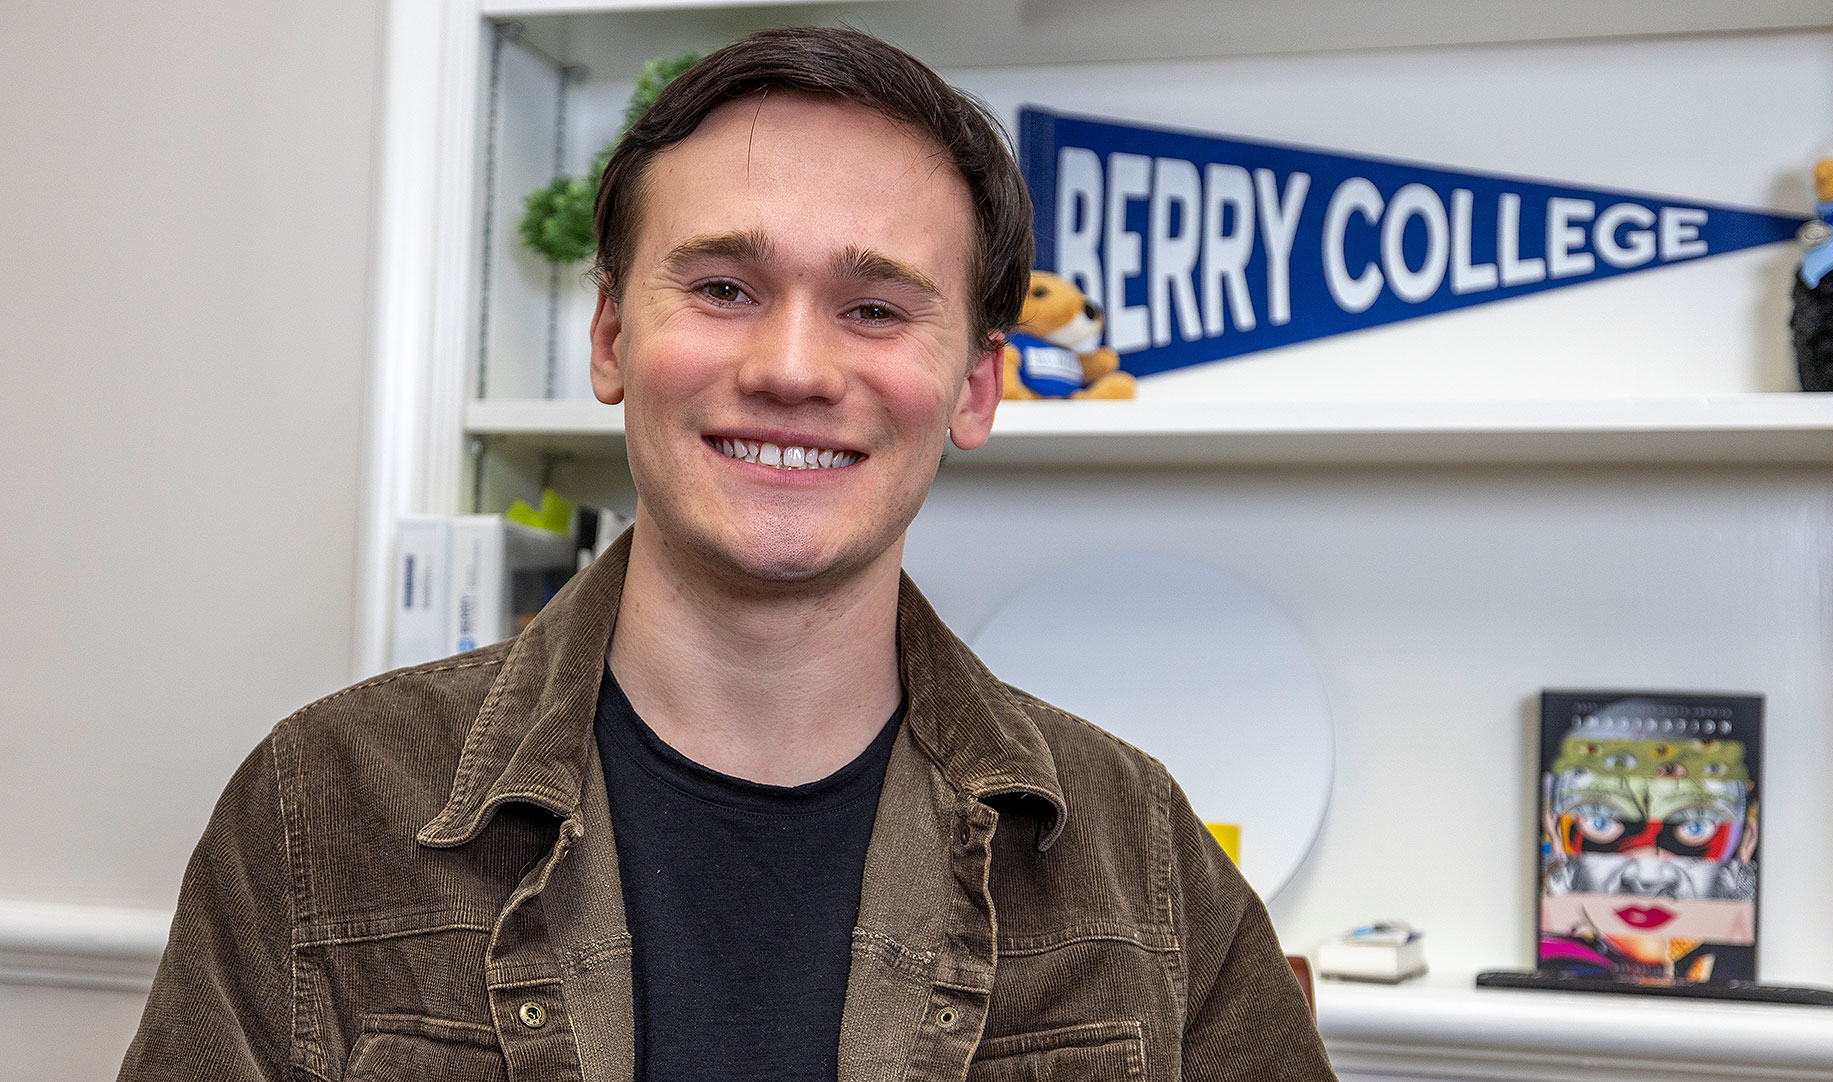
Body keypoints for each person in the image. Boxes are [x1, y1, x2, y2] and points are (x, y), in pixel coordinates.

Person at [119, 26, 1333, 1082]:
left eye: (874, 307)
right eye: (721, 286)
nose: (794, 367)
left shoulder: (1142, 853)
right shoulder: (319, 802)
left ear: (974, 386)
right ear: (608, 338)